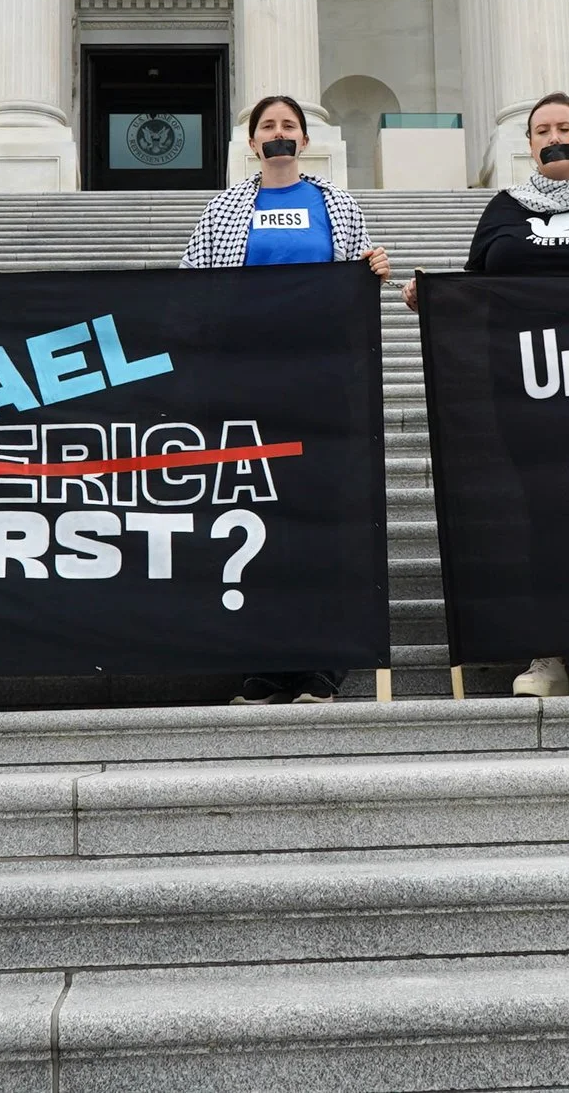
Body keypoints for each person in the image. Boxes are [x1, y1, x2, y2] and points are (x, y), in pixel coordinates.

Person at [401, 92, 569, 700]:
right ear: (528, 143)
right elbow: (476, 285)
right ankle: (549, 653)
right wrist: (433, 294)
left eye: (565, 127)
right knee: (548, 520)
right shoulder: (501, 211)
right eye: (542, 128)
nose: (553, 136)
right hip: (529, 390)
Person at [181, 94, 391, 704]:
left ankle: (324, 661)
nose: (278, 134)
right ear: (252, 143)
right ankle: (267, 659)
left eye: (288, 126)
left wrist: (372, 268)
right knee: (260, 521)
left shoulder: (336, 204)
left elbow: (357, 272)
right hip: (248, 383)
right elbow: (193, 289)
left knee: (323, 520)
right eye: (267, 126)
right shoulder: (222, 211)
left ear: (303, 139)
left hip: (324, 383)